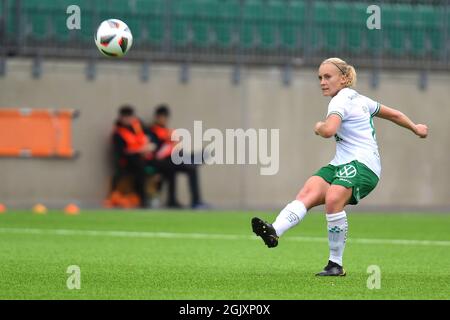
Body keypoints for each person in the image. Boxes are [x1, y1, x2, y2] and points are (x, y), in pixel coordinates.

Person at [251, 57, 428, 276]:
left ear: (344, 79)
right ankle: (274, 230)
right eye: (319, 78)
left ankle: (335, 264)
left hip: (363, 165)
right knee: (310, 189)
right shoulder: (359, 99)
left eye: (327, 77)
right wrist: (415, 127)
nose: (322, 82)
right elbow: (394, 114)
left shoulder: (339, 101)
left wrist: (318, 127)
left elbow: (328, 130)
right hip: (342, 163)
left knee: (334, 197)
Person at [148, 104, 208, 209]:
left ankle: (195, 201)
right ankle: (194, 158)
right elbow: (155, 151)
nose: (164, 119)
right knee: (188, 164)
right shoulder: (152, 132)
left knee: (190, 166)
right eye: (162, 117)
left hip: (173, 158)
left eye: (165, 117)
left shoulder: (169, 131)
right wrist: (168, 145)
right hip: (161, 161)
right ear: (157, 117)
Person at [111, 105, 156, 208]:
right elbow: (121, 152)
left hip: (146, 157)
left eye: (130, 117)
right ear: (121, 118)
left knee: (168, 165)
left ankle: (165, 199)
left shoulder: (139, 127)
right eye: (125, 117)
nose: (128, 120)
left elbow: (151, 137)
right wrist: (139, 151)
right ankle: (143, 200)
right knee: (140, 167)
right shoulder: (118, 133)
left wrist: (149, 146)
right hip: (128, 162)